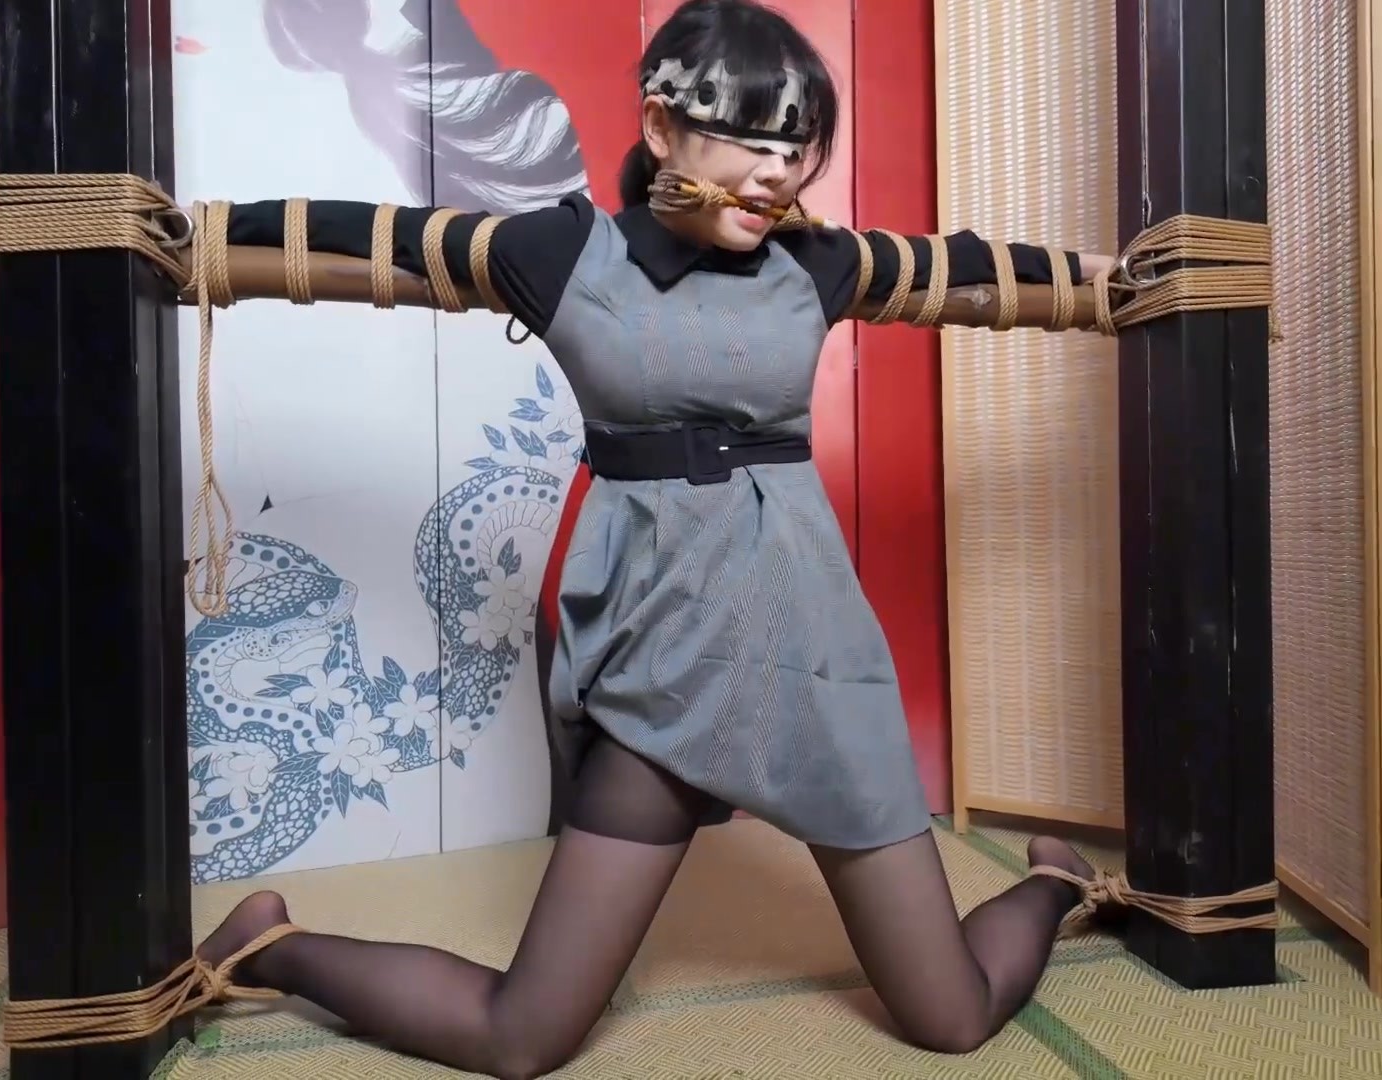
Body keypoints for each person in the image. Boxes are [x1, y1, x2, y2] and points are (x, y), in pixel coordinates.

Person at [196, 2, 1111, 1076]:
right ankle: (272, 947)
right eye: (749, 139)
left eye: (796, 146)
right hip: (662, 660)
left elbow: (959, 264)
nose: (777, 171)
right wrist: (200, 229)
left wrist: (1107, 276)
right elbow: (385, 235)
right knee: (523, 1037)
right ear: (662, 128)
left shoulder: (815, 263)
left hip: (814, 659)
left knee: (949, 1017)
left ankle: (1054, 883)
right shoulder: (566, 253)